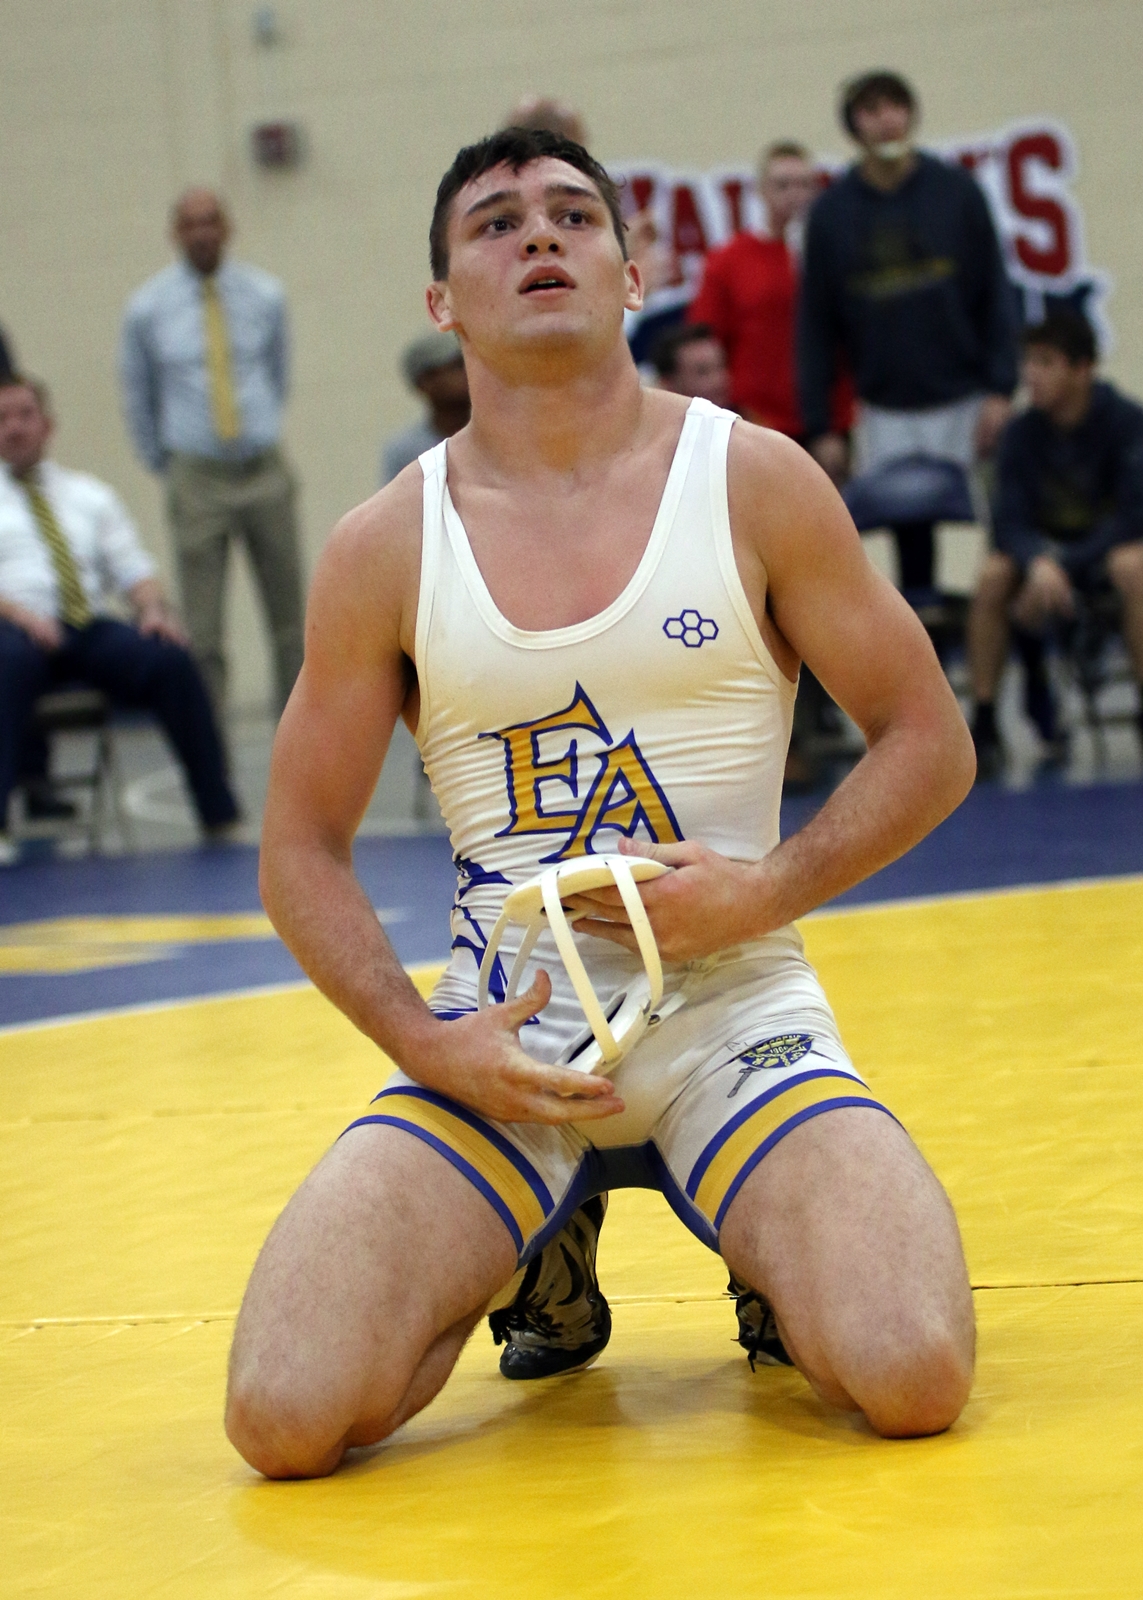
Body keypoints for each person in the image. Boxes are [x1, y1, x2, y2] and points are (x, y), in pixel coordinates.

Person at [224, 127, 976, 1480]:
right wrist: (420, 1040)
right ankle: (533, 1230)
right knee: (283, 1414)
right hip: (505, 1036)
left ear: (632, 275)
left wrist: (763, 892)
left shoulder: (752, 479)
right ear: (442, 301)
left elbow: (930, 741)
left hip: (731, 1010)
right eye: (496, 221)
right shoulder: (384, 544)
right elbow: (298, 849)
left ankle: (755, 1241)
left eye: (574, 215)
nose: (539, 235)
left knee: (911, 1369)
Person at [798, 71, 1020, 591]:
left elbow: (996, 294)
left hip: (968, 398)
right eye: (871, 110)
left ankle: (1018, 642)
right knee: (909, 538)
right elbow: (816, 327)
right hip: (886, 408)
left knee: (1005, 537)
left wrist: (1001, 389)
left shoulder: (957, 192)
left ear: (911, 114)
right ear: (854, 126)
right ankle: (924, 636)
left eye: (895, 106)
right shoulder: (831, 214)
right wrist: (822, 425)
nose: (886, 120)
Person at [0, 376, 240, 847]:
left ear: (47, 425)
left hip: (83, 625)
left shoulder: (90, 495)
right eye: (2, 418)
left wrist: (152, 609)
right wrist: (20, 615)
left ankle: (219, 813)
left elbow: (135, 570)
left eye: (24, 415)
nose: (14, 427)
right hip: (14, 629)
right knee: (8, 664)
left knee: (169, 659)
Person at [119, 188, 305, 717]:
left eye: (210, 222)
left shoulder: (265, 295)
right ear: (175, 234)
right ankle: (211, 747)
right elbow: (138, 396)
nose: (202, 233)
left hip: (263, 468)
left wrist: (256, 431)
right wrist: (169, 464)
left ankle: (299, 742)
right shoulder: (147, 309)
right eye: (190, 224)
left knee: (291, 621)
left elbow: (277, 376)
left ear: (227, 228)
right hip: (196, 475)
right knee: (203, 631)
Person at [967, 308, 1143, 769]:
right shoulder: (1020, 434)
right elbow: (1007, 522)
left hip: (1099, 556)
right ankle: (984, 720)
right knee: (993, 575)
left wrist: (1061, 562)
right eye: (1027, 361)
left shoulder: (1126, 423)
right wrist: (1038, 562)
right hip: (1041, 566)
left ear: (1083, 369)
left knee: (1135, 566)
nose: (1031, 374)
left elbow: (1133, 518)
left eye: (1045, 362)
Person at [687, 142, 824, 437]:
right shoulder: (728, 260)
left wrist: (835, 423)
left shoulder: (826, 259)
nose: (794, 195)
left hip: (818, 417)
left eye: (803, 185)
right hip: (750, 420)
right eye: (783, 185)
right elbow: (706, 342)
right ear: (761, 190)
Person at [379, 332, 471, 485]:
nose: (467, 373)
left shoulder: (500, 436)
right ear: (425, 383)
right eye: (457, 366)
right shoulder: (406, 452)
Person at [649, 322, 731, 409]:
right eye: (703, 372)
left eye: (721, 366)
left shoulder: (740, 414)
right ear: (668, 384)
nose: (719, 380)